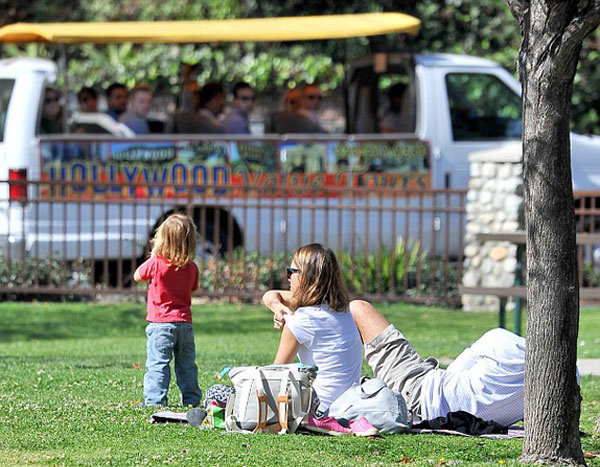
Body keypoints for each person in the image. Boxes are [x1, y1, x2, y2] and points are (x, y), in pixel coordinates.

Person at [262, 244, 363, 433]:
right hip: (350, 405)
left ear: (306, 277)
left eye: (292, 272)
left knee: (219, 392)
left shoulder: (301, 321)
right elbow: (269, 295)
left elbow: (272, 377)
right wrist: (277, 307)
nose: (289, 277)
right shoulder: (344, 311)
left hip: (320, 409)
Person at [133, 213, 202, 407]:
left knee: (158, 364)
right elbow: (193, 288)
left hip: (161, 325)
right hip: (185, 324)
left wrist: (155, 256)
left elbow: (137, 275)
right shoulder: (192, 268)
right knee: (187, 365)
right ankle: (191, 400)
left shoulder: (156, 263)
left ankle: (155, 401)